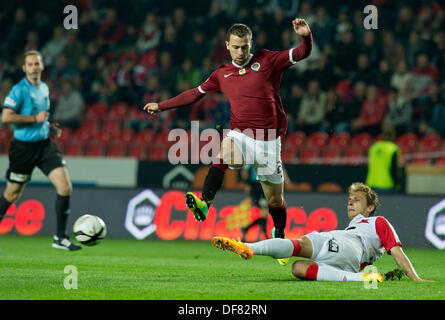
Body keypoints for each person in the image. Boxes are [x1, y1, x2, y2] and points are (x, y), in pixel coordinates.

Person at [144, 20, 312, 250]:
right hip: (240, 132)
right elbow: (195, 94)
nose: (240, 52)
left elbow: (303, 53)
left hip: (268, 142)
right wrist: (162, 106)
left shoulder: (268, 60)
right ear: (227, 46)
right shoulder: (222, 73)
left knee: (275, 199)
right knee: (225, 151)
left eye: (244, 46)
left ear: (251, 43)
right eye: (236, 47)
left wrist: (306, 37)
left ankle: (280, 234)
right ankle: (205, 203)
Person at [211, 182, 431, 282]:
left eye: (357, 200)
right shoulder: (356, 227)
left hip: (349, 245)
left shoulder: (377, 222)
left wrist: (416, 278)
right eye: (349, 199)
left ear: (370, 207)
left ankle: (248, 248)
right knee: (298, 268)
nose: (350, 202)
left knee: (301, 244)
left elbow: (397, 252)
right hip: (349, 261)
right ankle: (360, 278)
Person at [0, 50, 81, 251]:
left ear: (42, 66)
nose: (34, 67)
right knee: (12, 194)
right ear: (24, 68)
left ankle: (60, 237)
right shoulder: (18, 90)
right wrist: (33, 120)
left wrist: (48, 127)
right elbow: (6, 117)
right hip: (23, 149)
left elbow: (41, 117)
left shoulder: (44, 88)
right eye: (30, 64)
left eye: (37, 64)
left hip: (44, 146)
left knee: (65, 186)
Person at [366, 126, 402, 193]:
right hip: (387, 185)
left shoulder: (374, 147)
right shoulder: (393, 148)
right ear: (393, 136)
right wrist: (397, 183)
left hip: (371, 184)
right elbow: (394, 169)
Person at [240, 165, 269, 242]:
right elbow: (244, 173)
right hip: (256, 187)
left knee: (265, 214)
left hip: (264, 186)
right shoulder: (251, 159)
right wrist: (247, 184)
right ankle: (266, 236)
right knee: (264, 213)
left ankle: (246, 228)